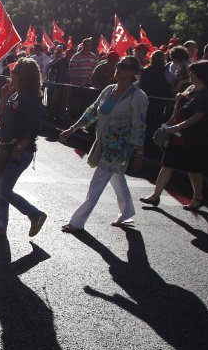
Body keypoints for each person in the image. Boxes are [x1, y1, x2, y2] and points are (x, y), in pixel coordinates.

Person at [59, 55, 148, 231]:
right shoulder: (108, 89)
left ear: (133, 73)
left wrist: (139, 151)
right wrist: (73, 129)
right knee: (117, 178)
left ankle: (77, 222)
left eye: (124, 66)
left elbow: (140, 125)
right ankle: (127, 212)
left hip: (119, 148)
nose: (119, 68)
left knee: (96, 183)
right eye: (119, 65)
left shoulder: (138, 96)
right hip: (102, 142)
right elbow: (91, 111)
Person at [0, 58, 47, 239]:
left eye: (16, 70)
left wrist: (20, 145)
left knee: (3, 189)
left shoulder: (30, 97)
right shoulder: (15, 94)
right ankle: (0, 225)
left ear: (24, 75)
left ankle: (35, 214)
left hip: (19, 151)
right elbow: (0, 117)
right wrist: (2, 97)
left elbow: (35, 128)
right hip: (6, 148)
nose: (12, 72)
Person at [140, 60, 208, 211]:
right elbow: (178, 110)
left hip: (193, 137)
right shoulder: (190, 89)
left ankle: (198, 197)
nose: (189, 74)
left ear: (201, 74)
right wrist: (177, 104)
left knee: (193, 168)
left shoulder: (206, 94)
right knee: (167, 164)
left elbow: (198, 116)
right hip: (177, 135)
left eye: (192, 72)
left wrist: (176, 127)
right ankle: (156, 196)